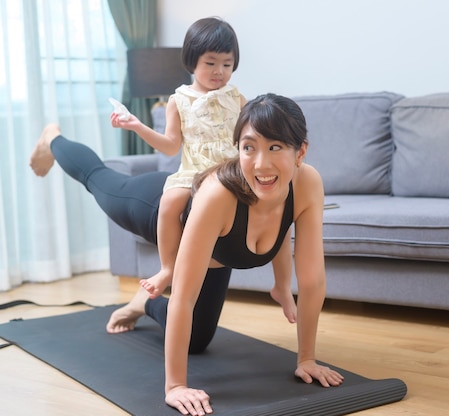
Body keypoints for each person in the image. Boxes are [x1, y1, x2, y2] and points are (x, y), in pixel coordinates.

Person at [29, 93, 344, 415]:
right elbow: (182, 295)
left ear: (300, 151)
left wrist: (307, 359)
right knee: (98, 179)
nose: (261, 163)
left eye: (275, 147)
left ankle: (144, 302)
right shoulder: (218, 195)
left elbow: (312, 282)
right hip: (153, 209)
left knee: (197, 341)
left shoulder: (307, 184)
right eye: (249, 147)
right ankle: (53, 137)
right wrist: (176, 386)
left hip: (215, 252)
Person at [111, 17, 296, 323]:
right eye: (211, 63)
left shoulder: (237, 99)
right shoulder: (178, 100)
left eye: (227, 64)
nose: (219, 71)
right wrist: (137, 126)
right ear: (192, 61)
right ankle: (168, 267)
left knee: (277, 207)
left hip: (234, 174)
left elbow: (254, 138)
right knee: (170, 202)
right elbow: (171, 145)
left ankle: (282, 286)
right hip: (195, 173)